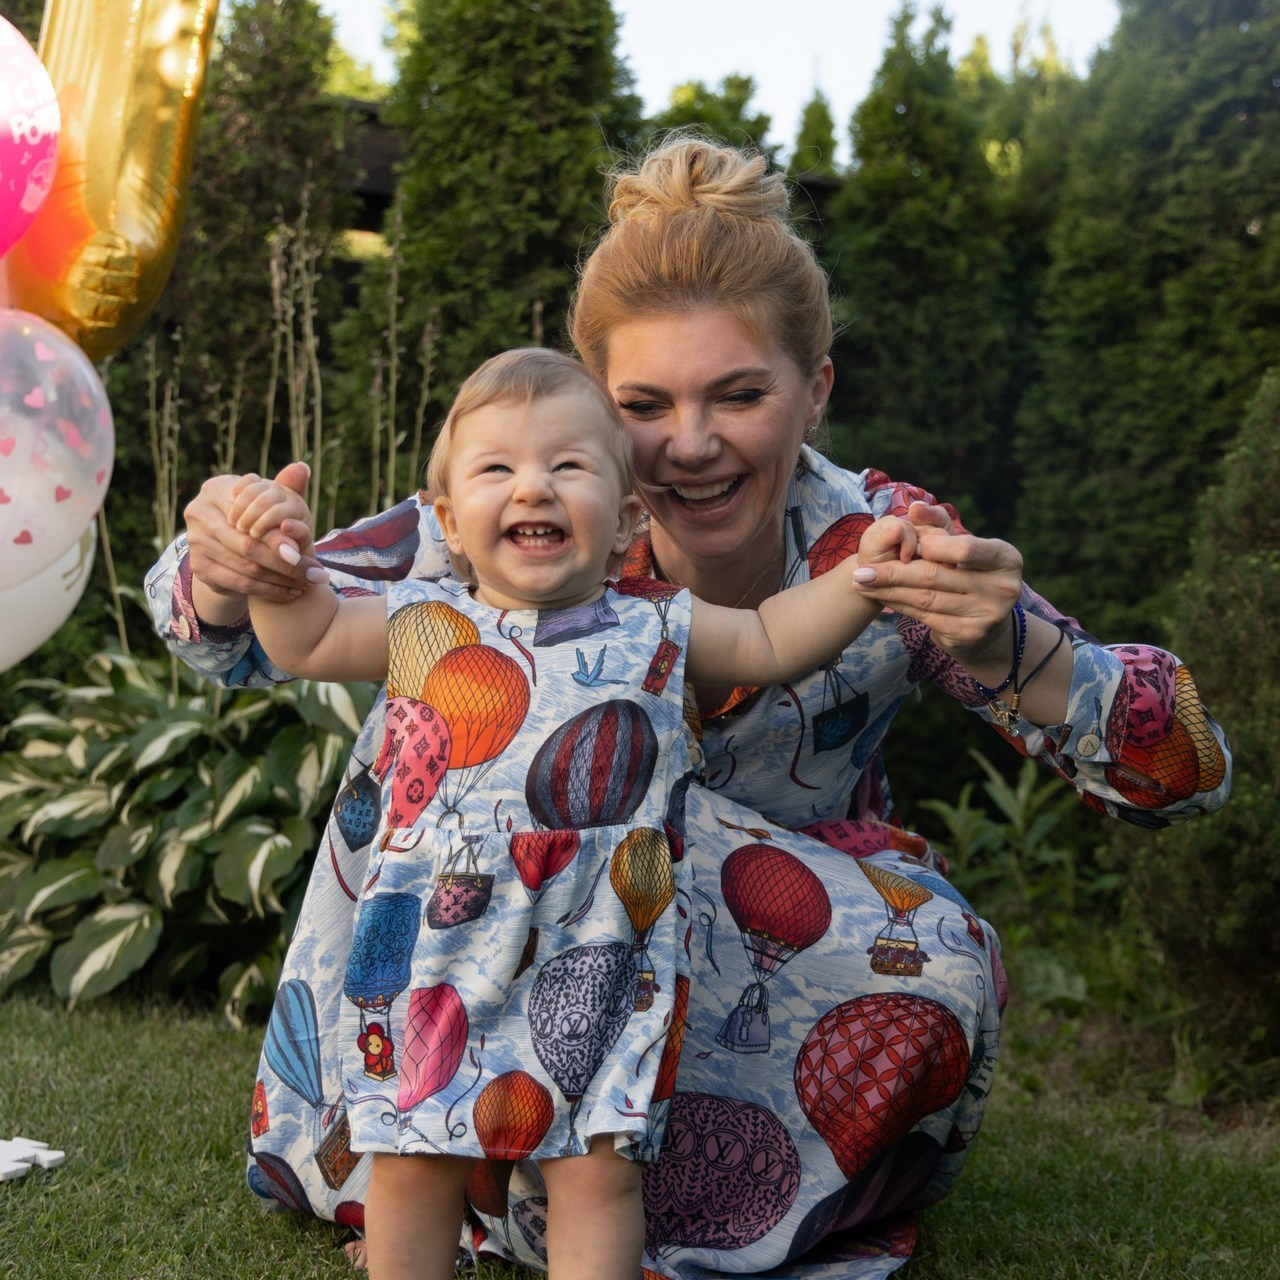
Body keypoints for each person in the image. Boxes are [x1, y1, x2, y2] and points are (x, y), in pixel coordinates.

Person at [145, 138, 1230, 1280]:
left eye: (741, 394)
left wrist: (1018, 648)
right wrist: (227, 559)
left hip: (737, 975)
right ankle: (438, 1162)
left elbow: (1180, 778)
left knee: (935, 954)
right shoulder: (512, 508)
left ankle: (608, 1201)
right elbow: (241, 621)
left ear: (813, 389)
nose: (691, 444)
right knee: (448, 696)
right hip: (469, 949)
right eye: (644, 403)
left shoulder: (879, 542)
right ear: (591, 402)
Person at [227, 346, 915, 1280]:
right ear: (448, 521)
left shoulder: (657, 623)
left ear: (628, 513)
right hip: (435, 945)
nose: (533, 488)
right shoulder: (419, 618)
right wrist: (275, 575)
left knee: (596, 1171)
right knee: (412, 1160)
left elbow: (770, 639)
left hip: (601, 946)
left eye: (569, 466)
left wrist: (864, 573)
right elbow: (304, 636)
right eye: (498, 468)